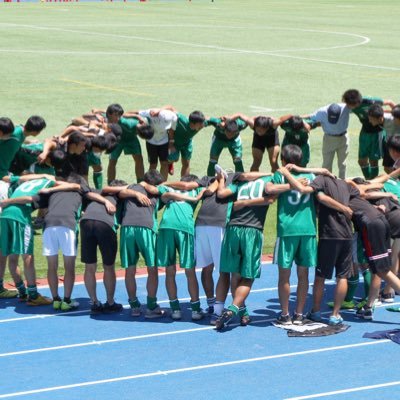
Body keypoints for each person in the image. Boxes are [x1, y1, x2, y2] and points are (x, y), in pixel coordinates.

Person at [280, 166, 355, 325]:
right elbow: (360, 195)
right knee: (342, 276)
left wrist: (288, 172)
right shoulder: (344, 184)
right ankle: (335, 314)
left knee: (320, 276)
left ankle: (315, 311)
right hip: (348, 234)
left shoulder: (319, 180)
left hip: (330, 234)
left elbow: (319, 196)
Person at [0, 174, 79, 305]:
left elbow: (12, 178)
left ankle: (22, 292)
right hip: (20, 216)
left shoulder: (28, 182)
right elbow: (75, 186)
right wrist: (51, 187)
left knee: (12, 255)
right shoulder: (49, 183)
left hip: (5, 215)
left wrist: (42, 175)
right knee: (27, 257)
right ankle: (33, 296)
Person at [213, 170, 275, 330]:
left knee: (235, 275)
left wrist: (221, 179)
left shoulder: (239, 184)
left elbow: (220, 194)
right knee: (249, 276)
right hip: (252, 230)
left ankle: (243, 313)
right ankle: (233, 309)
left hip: (233, 229)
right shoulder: (269, 179)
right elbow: (271, 198)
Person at [266, 145, 318, 325]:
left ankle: (285, 314)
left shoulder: (279, 175)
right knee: (303, 275)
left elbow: (269, 190)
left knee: (284, 276)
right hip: (308, 229)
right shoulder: (310, 176)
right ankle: (299, 314)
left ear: (283, 161)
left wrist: (286, 181)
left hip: (287, 230)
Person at [106, 170, 166, 318]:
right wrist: (138, 193)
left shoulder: (130, 187)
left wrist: (135, 192)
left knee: (130, 270)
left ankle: (134, 306)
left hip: (127, 229)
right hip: (146, 229)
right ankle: (151, 307)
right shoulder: (156, 192)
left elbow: (120, 193)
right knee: (152, 269)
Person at [156, 175, 206, 320]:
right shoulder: (198, 190)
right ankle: (196, 310)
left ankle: (175, 310)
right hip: (186, 229)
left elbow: (156, 189)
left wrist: (167, 183)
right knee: (190, 271)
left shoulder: (167, 187)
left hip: (166, 227)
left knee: (169, 271)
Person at [80, 180, 124, 314]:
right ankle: (110, 302)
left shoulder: (94, 192)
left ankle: (94, 302)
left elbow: (84, 196)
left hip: (86, 223)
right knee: (108, 266)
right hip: (105, 225)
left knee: (89, 266)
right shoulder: (120, 195)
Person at [92, 104, 153, 183]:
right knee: (112, 161)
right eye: (116, 115)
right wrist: (97, 111)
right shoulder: (110, 119)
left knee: (139, 159)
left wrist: (138, 118)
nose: (117, 118)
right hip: (117, 140)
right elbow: (99, 111)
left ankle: (140, 182)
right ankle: (110, 183)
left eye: (119, 115)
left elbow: (144, 122)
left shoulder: (134, 123)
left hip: (131, 139)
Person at [342, 89, 395, 179]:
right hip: (364, 133)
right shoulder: (348, 105)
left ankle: (371, 183)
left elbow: (390, 102)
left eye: (350, 105)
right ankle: (369, 180)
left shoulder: (371, 101)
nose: (348, 107)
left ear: (358, 103)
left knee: (373, 161)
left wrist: (396, 114)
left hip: (377, 134)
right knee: (362, 161)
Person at [308, 103, 350, 179]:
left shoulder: (346, 108)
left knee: (343, 164)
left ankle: (343, 183)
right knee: (327, 164)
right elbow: (310, 117)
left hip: (343, 138)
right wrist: (295, 117)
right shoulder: (322, 112)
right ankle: (327, 182)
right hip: (329, 138)